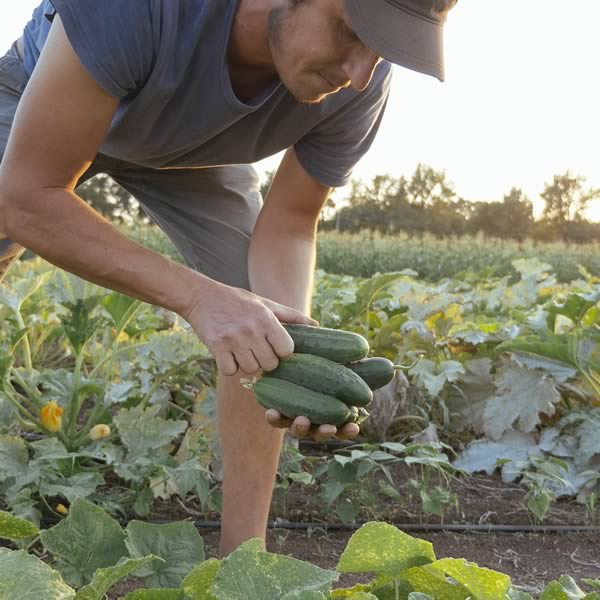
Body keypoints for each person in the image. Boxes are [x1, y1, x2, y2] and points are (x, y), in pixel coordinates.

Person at [0, 0, 457, 557]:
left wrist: (292, 364)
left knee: (256, 316)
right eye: (350, 32)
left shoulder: (360, 87)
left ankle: (241, 562)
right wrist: (199, 301)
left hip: (191, 155)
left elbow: (289, 224)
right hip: (46, 102)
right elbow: (27, 197)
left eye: (382, 51)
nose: (359, 73)